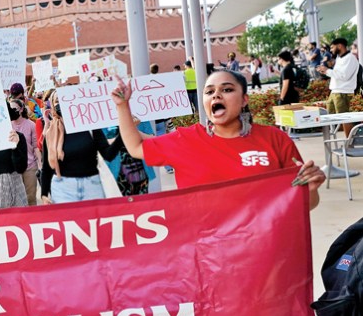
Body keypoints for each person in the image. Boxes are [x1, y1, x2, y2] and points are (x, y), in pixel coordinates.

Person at [112, 69, 325, 211]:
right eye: (209, 91)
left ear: (244, 100)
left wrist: (312, 188)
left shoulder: (275, 139)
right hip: (207, 259)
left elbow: (305, 204)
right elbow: (136, 146)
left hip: (264, 257)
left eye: (227, 89)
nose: (216, 96)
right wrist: (123, 106)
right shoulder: (186, 139)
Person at [40, 92, 123, 204]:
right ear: (53, 106)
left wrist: (124, 133)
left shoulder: (91, 128)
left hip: (92, 187)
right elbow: (46, 168)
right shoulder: (51, 134)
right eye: (57, 101)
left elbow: (108, 154)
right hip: (63, 189)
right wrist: (44, 194)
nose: (61, 104)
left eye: (64, 100)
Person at [317, 37, 360, 137]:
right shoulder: (340, 58)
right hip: (335, 91)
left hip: (343, 91)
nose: (331, 50)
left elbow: (344, 76)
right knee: (333, 116)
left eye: (332, 47)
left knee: (344, 117)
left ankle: (350, 142)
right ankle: (347, 139)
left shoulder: (350, 58)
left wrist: (327, 70)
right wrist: (325, 71)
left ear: (340, 46)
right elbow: (337, 74)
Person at [9, 98, 41, 205]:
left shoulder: (31, 125)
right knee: (16, 199)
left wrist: (40, 164)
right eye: (10, 109)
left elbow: (35, 146)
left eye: (15, 109)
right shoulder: (7, 126)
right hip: (14, 168)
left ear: (22, 109)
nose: (12, 111)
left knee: (30, 197)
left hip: (30, 166)